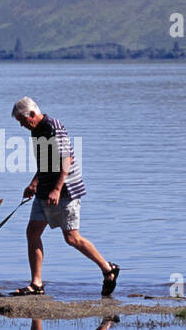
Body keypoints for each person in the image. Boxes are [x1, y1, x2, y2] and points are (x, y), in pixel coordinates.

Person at [9, 97, 119, 297]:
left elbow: (65, 160)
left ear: (32, 114)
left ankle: (107, 269)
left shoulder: (53, 127)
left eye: (22, 121)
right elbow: (45, 161)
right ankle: (36, 284)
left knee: (72, 238)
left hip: (65, 190)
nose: (22, 125)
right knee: (32, 232)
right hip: (45, 188)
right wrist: (34, 182)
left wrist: (57, 189)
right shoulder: (36, 130)